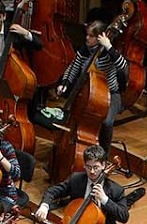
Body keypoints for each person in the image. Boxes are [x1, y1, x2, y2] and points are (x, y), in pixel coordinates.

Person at [34, 144, 130, 224]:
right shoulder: (77, 179)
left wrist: (104, 199)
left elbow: (124, 216)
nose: (92, 171)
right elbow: (52, 191)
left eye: (96, 167)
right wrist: (44, 206)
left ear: (104, 165)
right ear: (84, 165)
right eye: (88, 167)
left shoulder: (115, 190)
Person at [56, 21, 130, 151]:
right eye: (87, 35)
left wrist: (108, 46)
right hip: (87, 93)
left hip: (110, 95)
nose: (87, 38)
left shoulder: (108, 53)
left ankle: (104, 155)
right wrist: (65, 84)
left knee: (106, 123)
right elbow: (73, 68)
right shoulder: (84, 50)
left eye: (91, 36)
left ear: (99, 37)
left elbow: (123, 67)